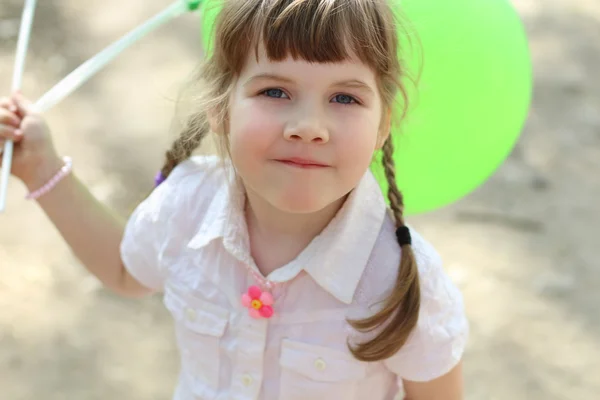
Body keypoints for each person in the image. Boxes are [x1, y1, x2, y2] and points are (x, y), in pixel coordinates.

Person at [0, 0, 468, 398]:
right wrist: (40, 167)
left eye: (344, 98)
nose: (308, 125)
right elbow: (127, 270)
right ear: (221, 108)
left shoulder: (402, 278)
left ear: (383, 123)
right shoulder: (186, 205)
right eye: (275, 91)